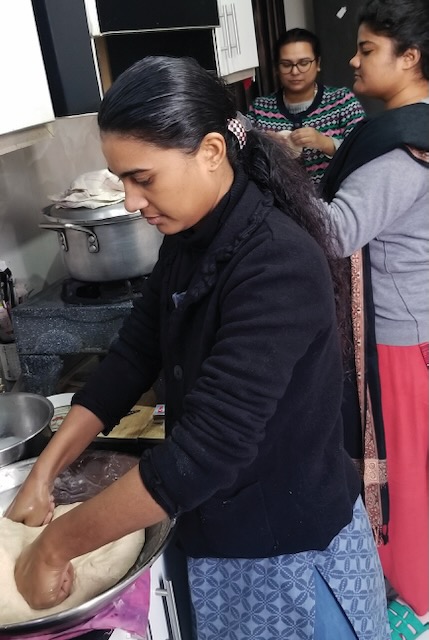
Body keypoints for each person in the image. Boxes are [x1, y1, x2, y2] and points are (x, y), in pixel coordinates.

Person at [6, 55, 389, 640]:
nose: (132, 202)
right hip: (217, 532)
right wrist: (45, 473)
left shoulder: (275, 263)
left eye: (143, 178)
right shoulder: (188, 237)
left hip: (287, 553)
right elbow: (133, 354)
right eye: (121, 181)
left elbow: (208, 450)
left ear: (211, 151)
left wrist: (55, 547)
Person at [319, 0, 429, 635]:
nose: (354, 61)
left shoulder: (399, 148)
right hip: (412, 329)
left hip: (395, 338)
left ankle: (410, 597)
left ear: (409, 57)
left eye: (366, 50)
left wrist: (265, 187)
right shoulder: (410, 131)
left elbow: (335, 234)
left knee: (399, 476)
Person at [246, 28, 365, 185]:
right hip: (280, 204)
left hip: (335, 200)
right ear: (276, 68)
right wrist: (267, 146)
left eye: (304, 63)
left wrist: (325, 143)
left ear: (318, 64)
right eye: (286, 64)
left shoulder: (342, 101)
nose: (295, 71)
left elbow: (363, 151)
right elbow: (243, 156)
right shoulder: (260, 109)